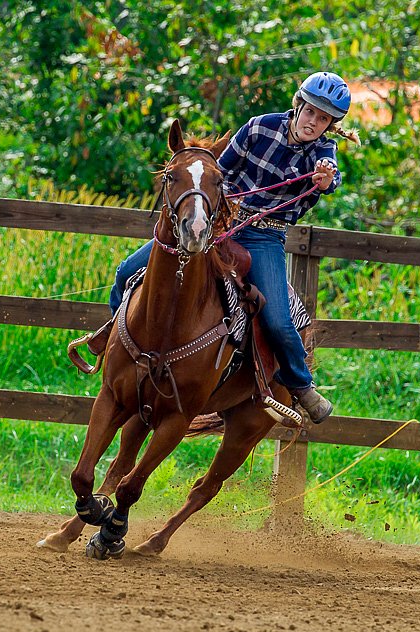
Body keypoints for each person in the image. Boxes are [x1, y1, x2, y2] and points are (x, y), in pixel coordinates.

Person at [98, 71, 355, 424]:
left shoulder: (324, 152)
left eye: (323, 118)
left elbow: (331, 175)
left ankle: (300, 384)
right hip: (222, 223)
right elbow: (218, 170)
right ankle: (111, 341)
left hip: (264, 237)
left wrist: (327, 179)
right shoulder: (258, 127)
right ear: (298, 105)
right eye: (310, 111)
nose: (314, 122)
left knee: (279, 321)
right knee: (128, 269)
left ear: (330, 125)